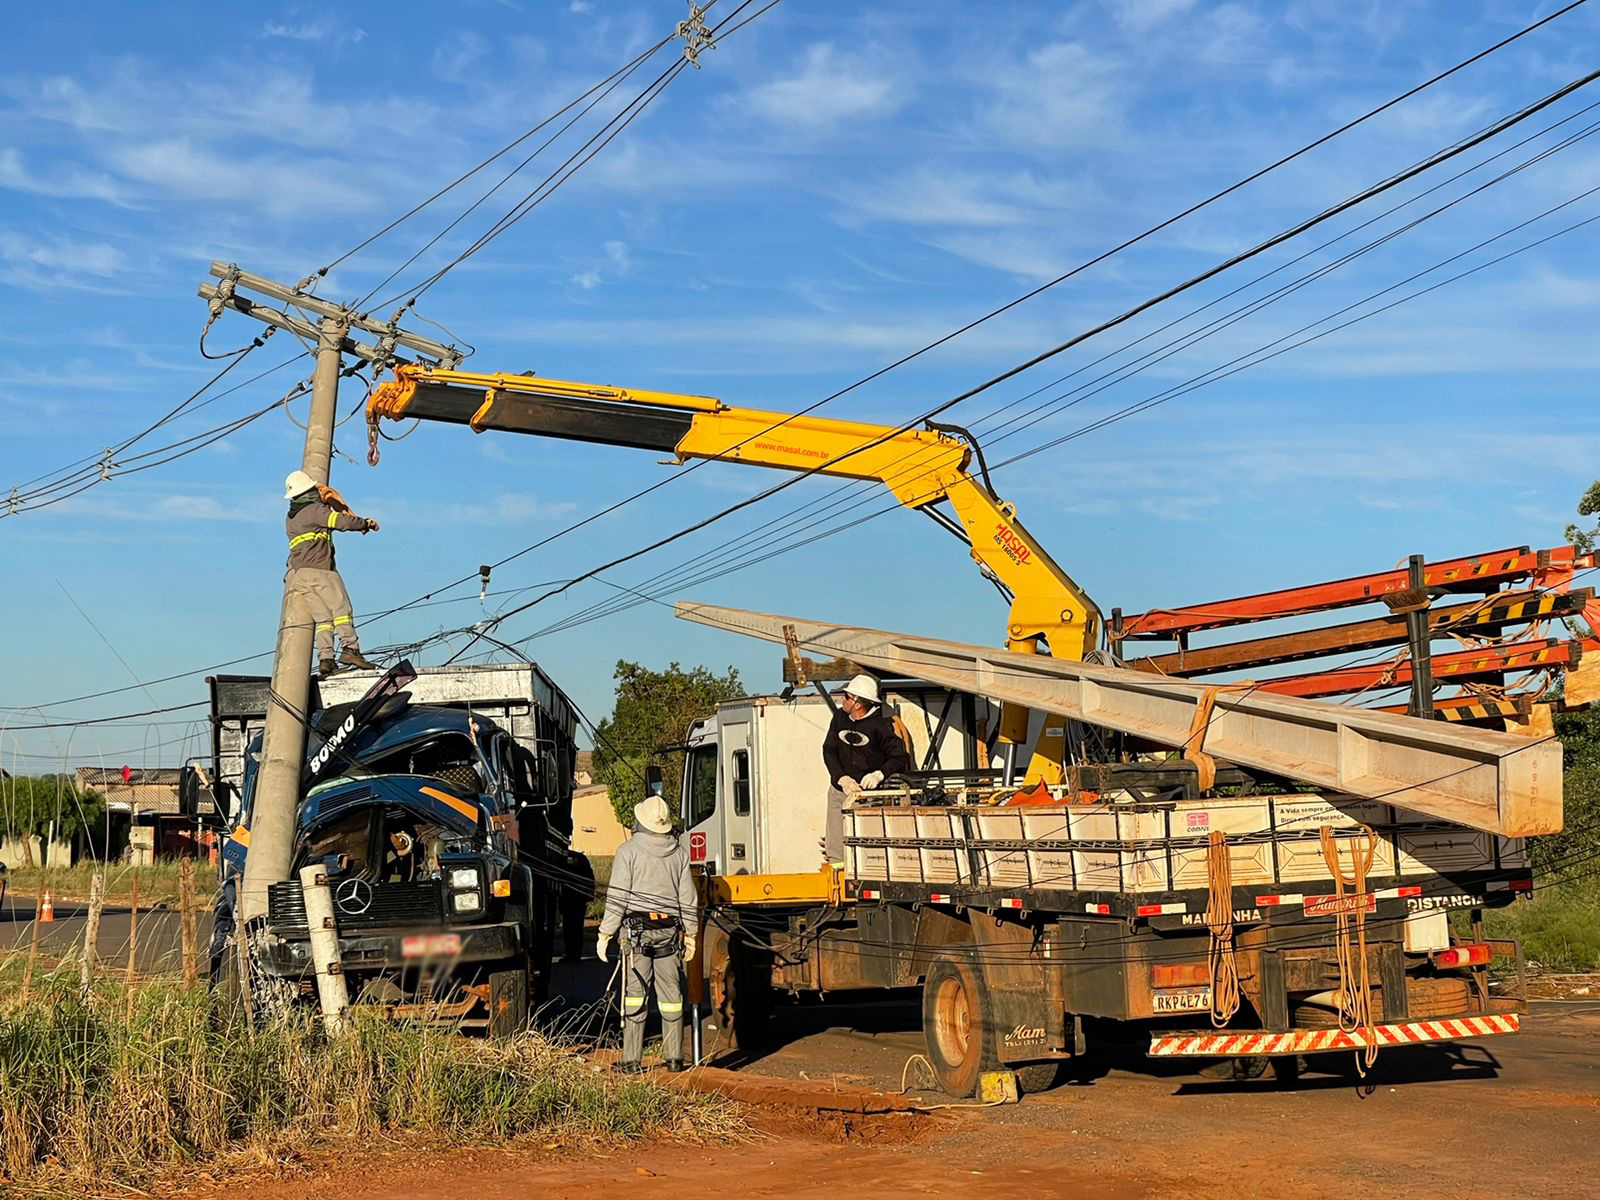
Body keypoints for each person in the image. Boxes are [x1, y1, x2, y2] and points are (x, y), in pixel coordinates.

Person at [596, 794, 699, 1074]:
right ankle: (675, 1058)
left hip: (637, 936)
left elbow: (617, 898)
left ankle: (631, 1061)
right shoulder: (679, 854)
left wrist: (605, 933)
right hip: (669, 934)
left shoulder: (628, 852)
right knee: (671, 996)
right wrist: (691, 934)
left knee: (635, 995)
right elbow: (688, 899)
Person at [283, 469, 380, 677]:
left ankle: (326, 659)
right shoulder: (315, 511)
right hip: (321, 570)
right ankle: (350, 649)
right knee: (342, 609)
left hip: (298, 575)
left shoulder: (290, 518)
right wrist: (365, 523)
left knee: (323, 619)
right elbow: (342, 522)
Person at [821, 674, 912, 866]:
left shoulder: (880, 726)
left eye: (846, 696)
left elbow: (900, 757)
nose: (842, 699)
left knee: (865, 845)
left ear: (858, 703)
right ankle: (838, 881)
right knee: (836, 844)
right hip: (840, 792)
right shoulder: (839, 718)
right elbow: (829, 749)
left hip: (867, 797)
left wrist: (879, 774)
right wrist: (840, 777)